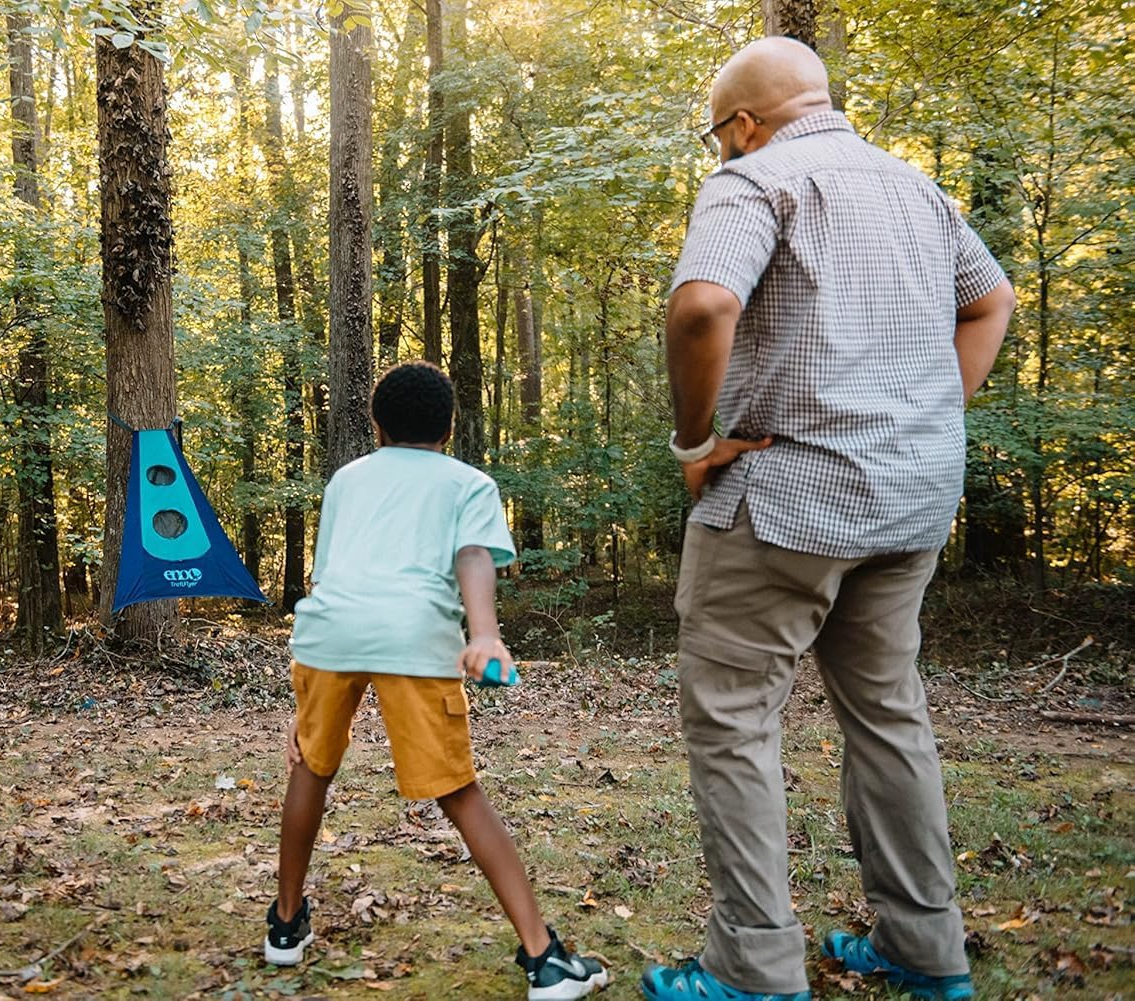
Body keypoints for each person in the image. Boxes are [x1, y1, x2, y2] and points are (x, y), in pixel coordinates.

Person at [642, 37, 1015, 1001]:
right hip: (910, 502)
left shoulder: (755, 179)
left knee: (731, 726)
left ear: (743, 124)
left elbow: (701, 309)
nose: (720, 149)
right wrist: (925, 414)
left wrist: (695, 444)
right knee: (890, 717)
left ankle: (756, 965)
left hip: (784, 503)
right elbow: (991, 301)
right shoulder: (917, 191)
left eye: (718, 134)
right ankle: (925, 950)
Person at [266, 361, 610, 1000]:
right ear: (450, 429)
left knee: (310, 767)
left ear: (376, 426)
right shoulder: (467, 482)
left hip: (326, 634)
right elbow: (473, 554)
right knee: (458, 791)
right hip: (414, 635)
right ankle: (544, 959)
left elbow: (332, 573)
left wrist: (305, 703)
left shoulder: (346, 479)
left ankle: (284, 926)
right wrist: (483, 633)